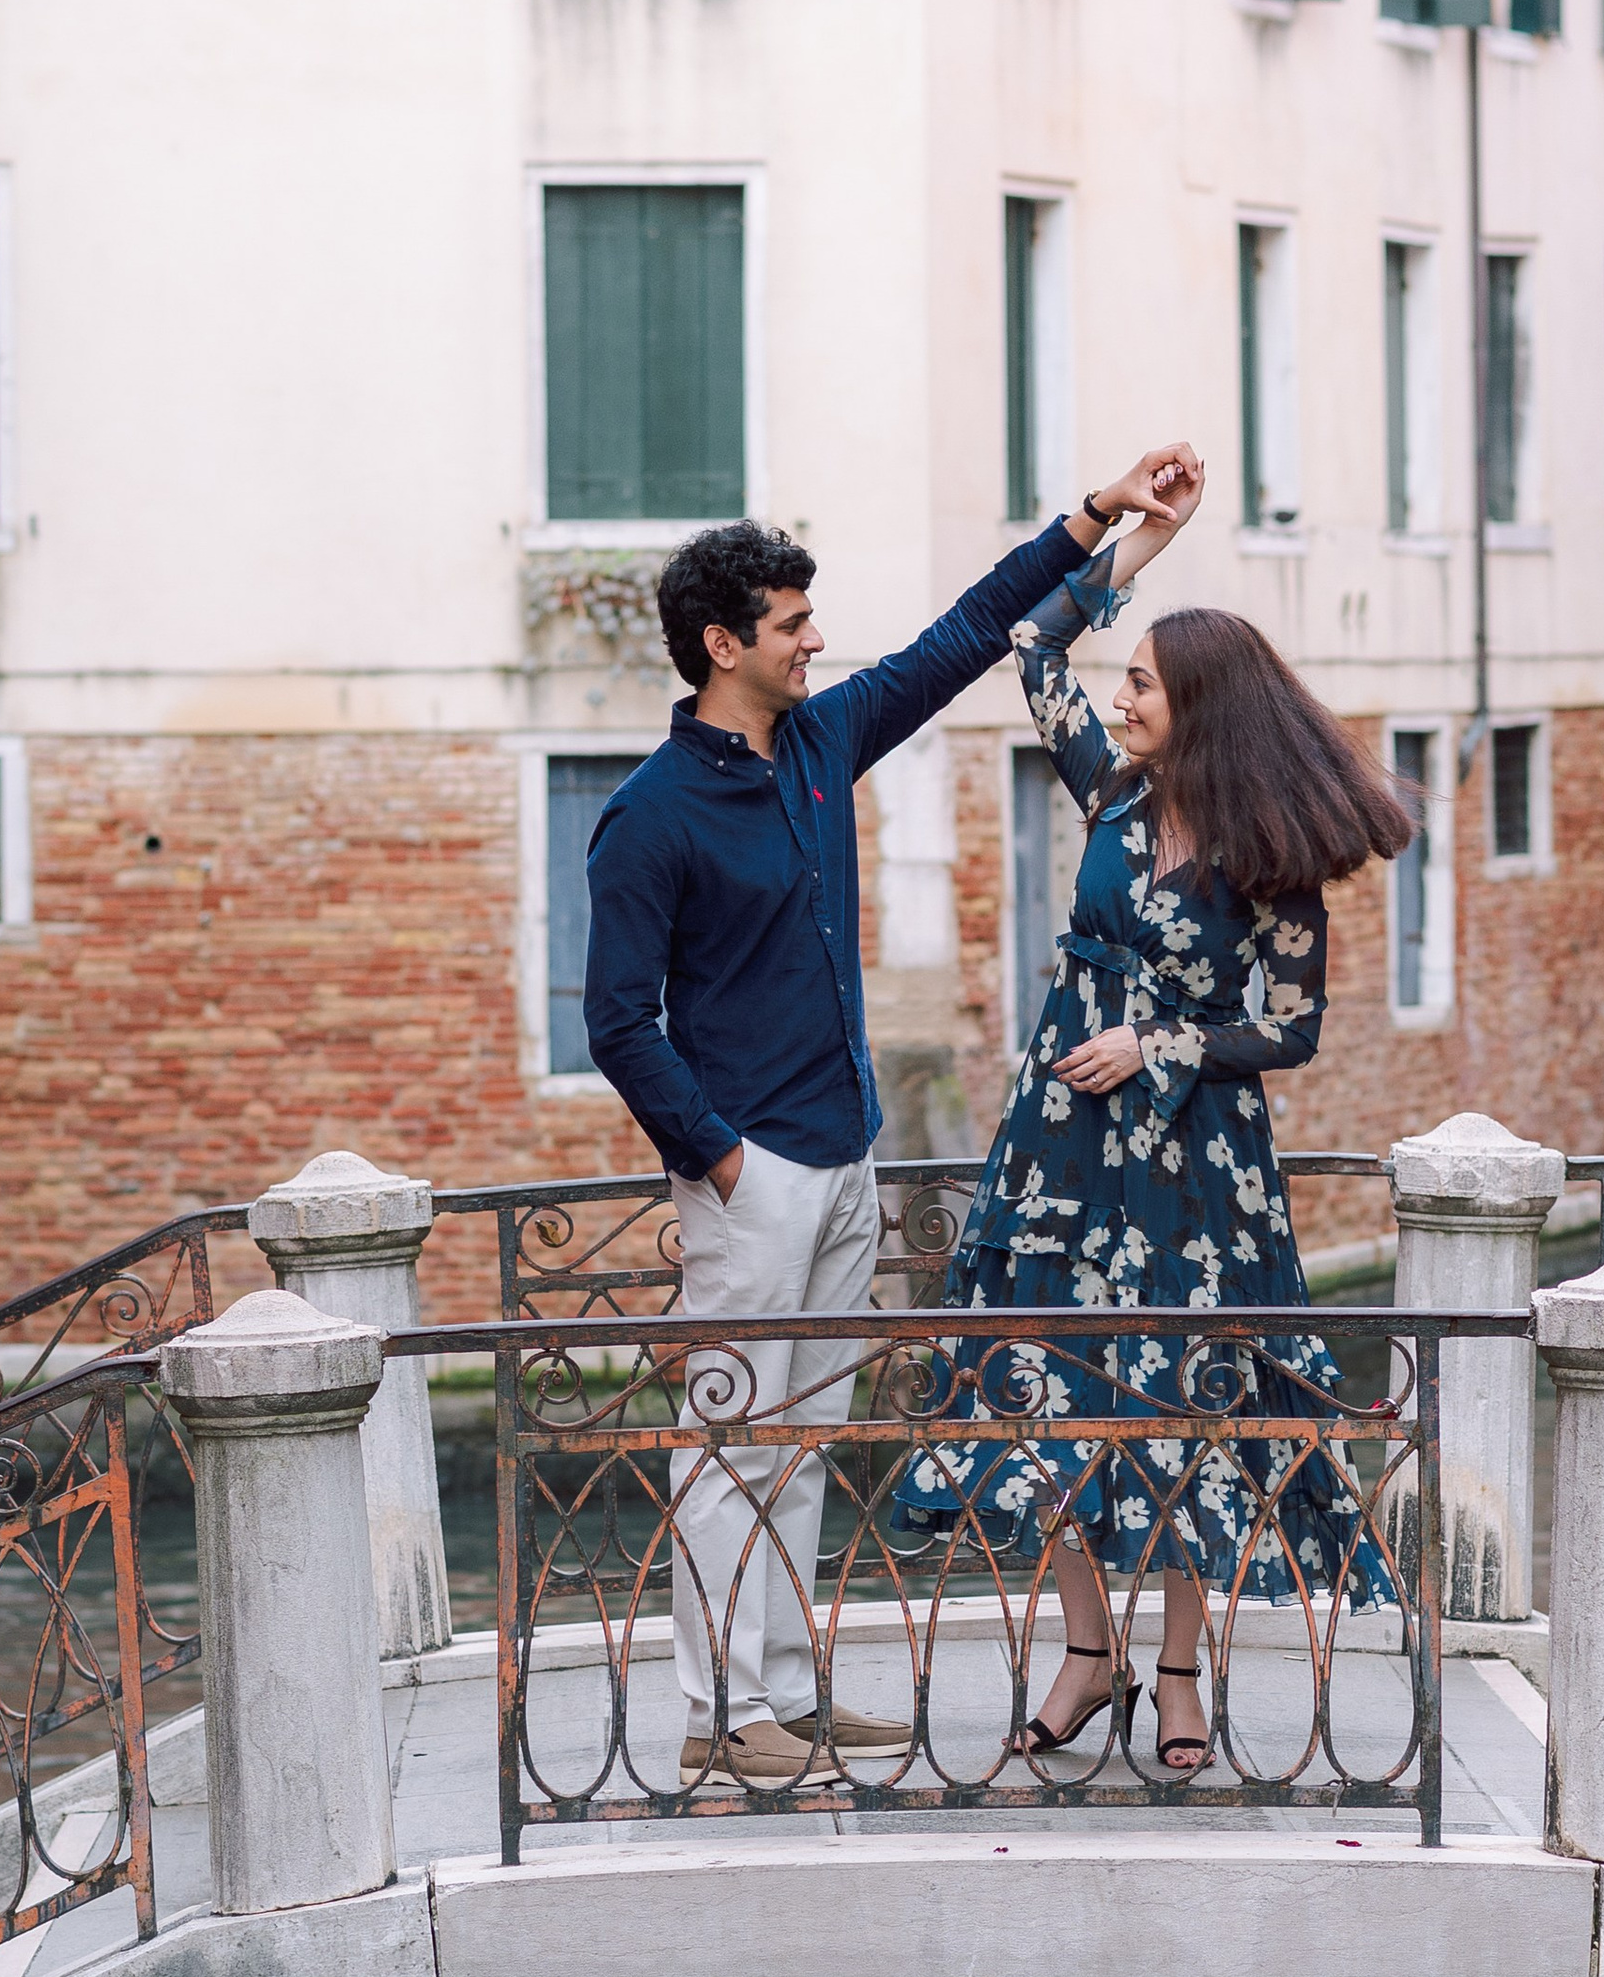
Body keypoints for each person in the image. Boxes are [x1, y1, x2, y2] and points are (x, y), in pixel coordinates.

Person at [583, 451, 1206, 1790]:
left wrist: (1098, 518)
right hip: (747, 1175)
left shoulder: (821, 740)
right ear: (721, 643)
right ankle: (716, 1713)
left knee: (801, 1448)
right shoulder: (647, 819)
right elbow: (619, 1024)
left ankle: (789, 1699)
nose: (818, 639)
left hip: (844, 1146)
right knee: (724, 1452)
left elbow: (969, 632)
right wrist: (719, 1156)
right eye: (794, 624)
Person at [895, 478, 1414, 1776]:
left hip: (1197, 1171)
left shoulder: (1271, 855)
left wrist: (1158, 1043)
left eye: (1145, 686)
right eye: (1121, 680)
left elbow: (1286, 1028)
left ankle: (1179, 1671)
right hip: (1062, 1150)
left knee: (1186, 1404)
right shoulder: (1109, 797)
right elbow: (1031, 648)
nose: (1120, 702)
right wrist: (1142, 545)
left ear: (1205, 711)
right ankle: (1089, 1653)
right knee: (1048, 1386)